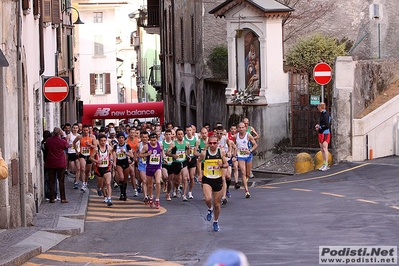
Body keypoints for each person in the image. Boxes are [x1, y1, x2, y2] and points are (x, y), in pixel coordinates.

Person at [198, 135, 228, 232]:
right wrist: (200, 174)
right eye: (210, 143)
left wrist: (222, 165)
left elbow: (227, 164)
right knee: (208, 198)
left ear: (217, 143)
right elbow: (198, 162)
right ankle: (209, 208)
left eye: (214, 143)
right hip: (207, 178)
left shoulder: (221, 152)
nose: (212, 145)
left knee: (217, 205)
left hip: (217, 179)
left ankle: (215, 221)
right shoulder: (204, 153)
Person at [165, 128, 191, 201]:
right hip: (176, 163)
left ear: (183, 135)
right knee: (177, 181)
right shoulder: (173, 143)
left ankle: (184, 195)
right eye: (178, 134)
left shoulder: (186, 143)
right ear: (176, 135)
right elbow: (167, 153)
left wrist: (188, 156)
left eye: (181, 134)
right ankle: (176, 188)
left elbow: (188, 151)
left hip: (184, 161)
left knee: (185, 178)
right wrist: (173, 156)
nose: (180, 136)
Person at [45, 127, 69, 203]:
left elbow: (46, 147)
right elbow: (66, 146)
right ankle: (63, 198)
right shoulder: (62, 141)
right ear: (59, 133)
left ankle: (52, 198)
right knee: (61, 181)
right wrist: (64, 136)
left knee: (51, 181)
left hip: (51, 163)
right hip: (60, 163)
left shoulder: (48, 141)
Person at [140, 133, 163, 208]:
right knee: (150, 185)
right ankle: (150, 198)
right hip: (149, 168)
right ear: (149, 140)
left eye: (155, 140)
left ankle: (157, 200)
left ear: (157, 139)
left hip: (157, 167)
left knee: (158, 182)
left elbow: (162, 152)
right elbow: (140, 155)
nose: (153, 142)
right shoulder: (146, 146)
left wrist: (164, 158)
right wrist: (146, 154)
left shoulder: (160, 145)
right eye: (152, 140)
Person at [90, 134, 114, 206]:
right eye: (101, 141)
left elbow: (111, 154)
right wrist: (97, 161)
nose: (103, 142)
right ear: (99, 141)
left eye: (104, 140)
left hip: (107, 168)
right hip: (98, 168)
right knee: (101, 185)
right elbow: (90, 158)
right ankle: (101, 191)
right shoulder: (96, 149)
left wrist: (112, 160)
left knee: (108, 183)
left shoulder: (108, 148)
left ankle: (109, 199)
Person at [236, 122, 258, 198]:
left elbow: (255, 145)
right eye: (240, 127)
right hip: (240, 156)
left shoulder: (248, 135)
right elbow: (234, 145)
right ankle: (246, 191)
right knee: (243, 172)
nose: (241, 129)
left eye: (243, 127)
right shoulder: (236, 136)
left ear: (245, 128)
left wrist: (250, 150)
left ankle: (246, 179)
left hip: (248, 156)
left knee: (248, 174)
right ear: (238, 128)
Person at [113, 132, 134, 201]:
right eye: (119, 138)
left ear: (124, 139)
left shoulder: (127, 146)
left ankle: (124, 193)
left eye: (122, 138)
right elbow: (114, 155)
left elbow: (132, 155)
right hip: (119, 163)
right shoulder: (115, 146)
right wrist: (114, 163)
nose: (121, 139)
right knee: (121, 177)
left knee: (125, 180)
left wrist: (125, 152)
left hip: (126, 163)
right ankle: (121, 193)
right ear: (118, 139)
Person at [315, 102, 331, 171]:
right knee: (322, 149)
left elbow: (327, 125)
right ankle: (324, 163)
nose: (318, 108)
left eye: (318, 107)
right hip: (321, 133)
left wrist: (320, 127)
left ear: (320, 107)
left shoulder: (326, 114)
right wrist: (319, 126)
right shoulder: (322, 114)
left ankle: (326, 164)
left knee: (325, 148)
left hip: (325, 133)